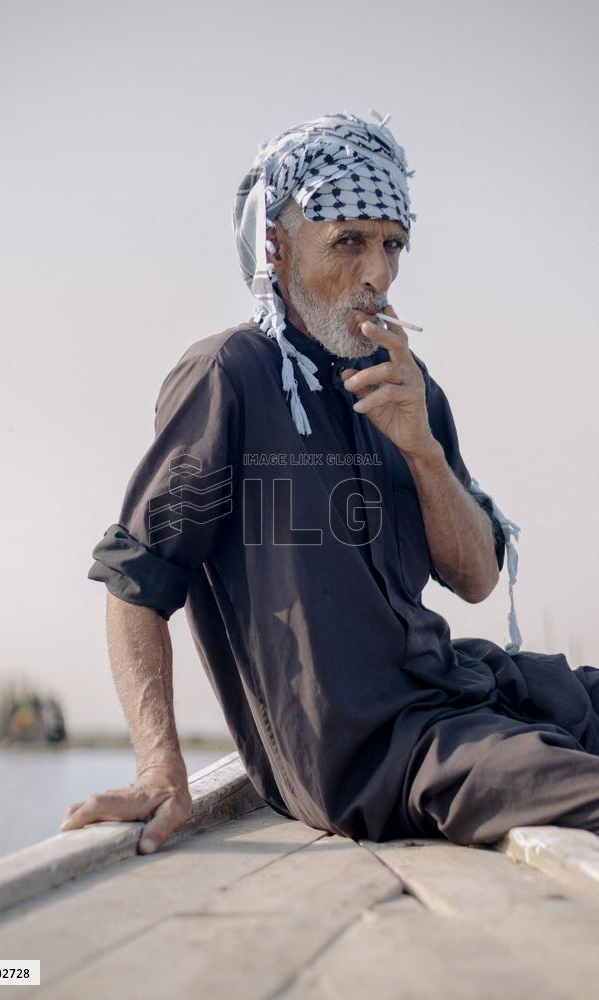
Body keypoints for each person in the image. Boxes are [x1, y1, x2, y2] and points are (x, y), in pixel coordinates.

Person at [61, 111, 599, 854]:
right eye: (349, 241)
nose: (376, 272)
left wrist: (422, 451)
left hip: (465, 686)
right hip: (377, 757)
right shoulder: (228, 377)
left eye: (392, 244)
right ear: (276, 247)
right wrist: (159, 766)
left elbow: (474, 579)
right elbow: (135, 584)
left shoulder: (409, 386)